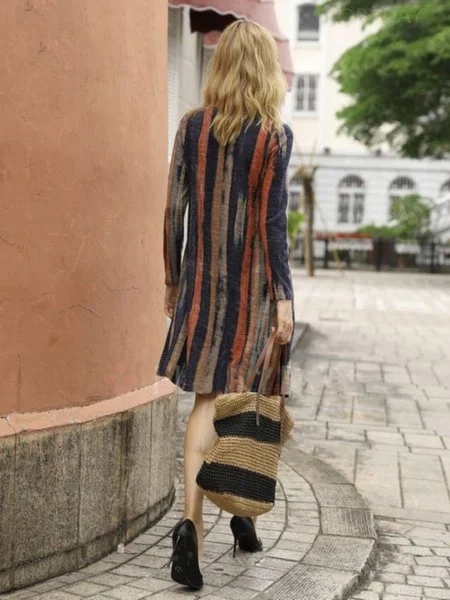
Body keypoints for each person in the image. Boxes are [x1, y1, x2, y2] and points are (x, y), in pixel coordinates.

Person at [157, 19, 294, 591]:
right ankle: (241, 514)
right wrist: (284, 296)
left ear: (221, 65)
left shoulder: (191, 127)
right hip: (253, 291)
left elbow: (174, 210)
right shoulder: (273, 137)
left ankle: (194, 526)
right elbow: (272, 225)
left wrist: (172, 279)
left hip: (200, 285)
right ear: (264, 69)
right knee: (248, 398)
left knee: (206, 402)